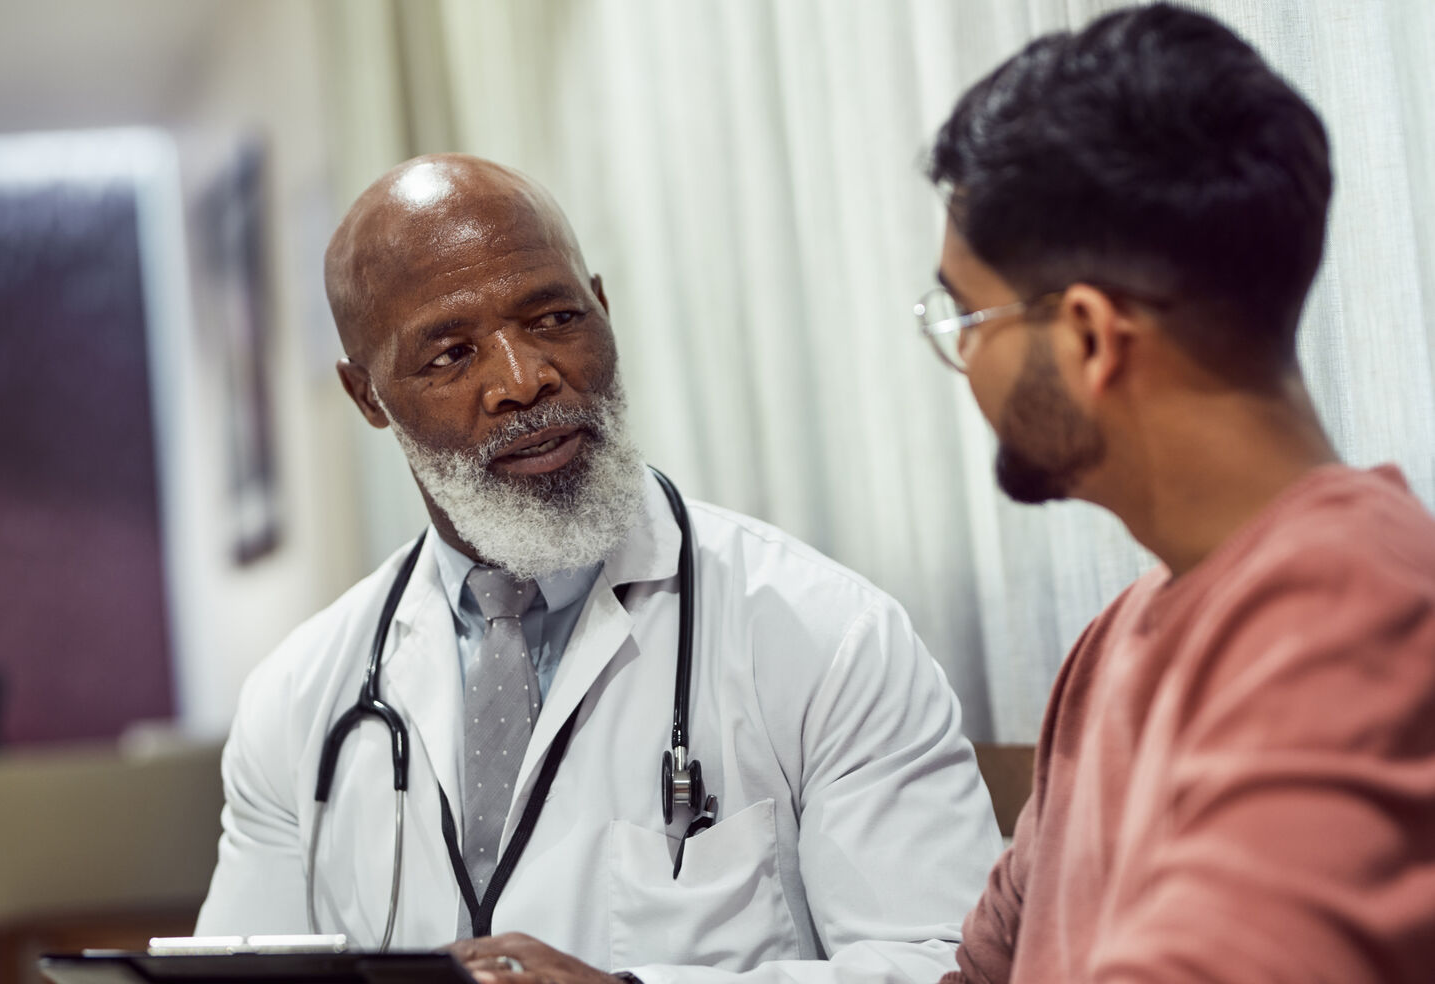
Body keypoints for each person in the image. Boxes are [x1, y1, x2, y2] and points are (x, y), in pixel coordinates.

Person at [195, 153, 1002, 984]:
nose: (524, 379)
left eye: (552, 318)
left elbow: (946, 961)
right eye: (450, 355)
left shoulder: (825, 635)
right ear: (368, 398)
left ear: (603, 309)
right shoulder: (296, 700)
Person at [912, 5, 1435, 982]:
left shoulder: (1357, 618)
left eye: (969, 315)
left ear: (1088, 339)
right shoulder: (1115, 641)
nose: (963, 358)